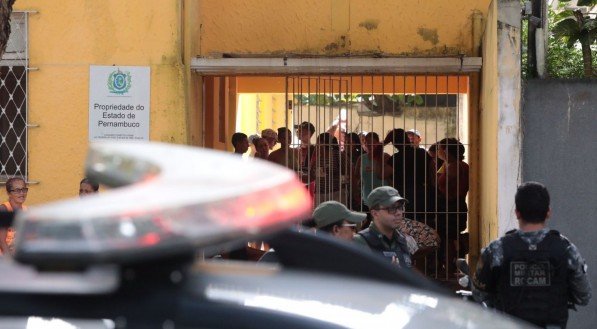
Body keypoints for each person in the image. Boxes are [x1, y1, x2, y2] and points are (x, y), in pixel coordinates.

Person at [472, 182, 591, 328]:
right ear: (548, 212)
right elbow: (584, 296)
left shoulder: (497, 249)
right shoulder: (565, 249)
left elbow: (479, 294)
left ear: (517, 213)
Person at [353, 186, 417, 268]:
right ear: (375, 213)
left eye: (400, 207)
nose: (398, 213)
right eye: (392, 208)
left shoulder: (402, 240)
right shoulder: (360, 241)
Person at [435, 137, 469, 272]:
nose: (438, 152)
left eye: (440, 149)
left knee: (447, 236)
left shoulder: (454, 167)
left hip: (451, 205)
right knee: (451, 235)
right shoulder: (461, 165)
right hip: (458, 203)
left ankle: (449, 267)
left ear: (446, 150)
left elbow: (442, 186)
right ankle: (452, 266)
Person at [384, 128, 429, 222]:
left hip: (402, 195)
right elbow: (433, 173)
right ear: (406, 139)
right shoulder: (422, 153)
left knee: (405, 225)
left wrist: (383, 144)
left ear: (394, 143)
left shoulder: (396, 158)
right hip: (422, 194)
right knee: (421, 224)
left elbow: (382, 174)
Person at [354, 132, 391, 209]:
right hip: (366, 198)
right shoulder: (361, 158)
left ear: (378, 143)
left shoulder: (386, 157)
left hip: (383, 199)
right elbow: (356, 176)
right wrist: (357, 193)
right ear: (365, 143)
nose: (370, 145)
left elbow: (390, 178)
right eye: (368, 142)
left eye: (373, 142)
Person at [310, 133, 341, 206]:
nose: (317, 145)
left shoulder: (337, 154)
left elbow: (345, 172)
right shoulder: (317, 156)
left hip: (334, 192)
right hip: (319, 193)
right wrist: (313, 171)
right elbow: (312, 175)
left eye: (318, 142)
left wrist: (329, 173)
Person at [0, 177, 28, 257]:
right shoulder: (3, 210)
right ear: (9, 193)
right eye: (17, 190)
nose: (22, 193)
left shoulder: (26, 210)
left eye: (24, 189)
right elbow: (1, 241)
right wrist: (11, 261)